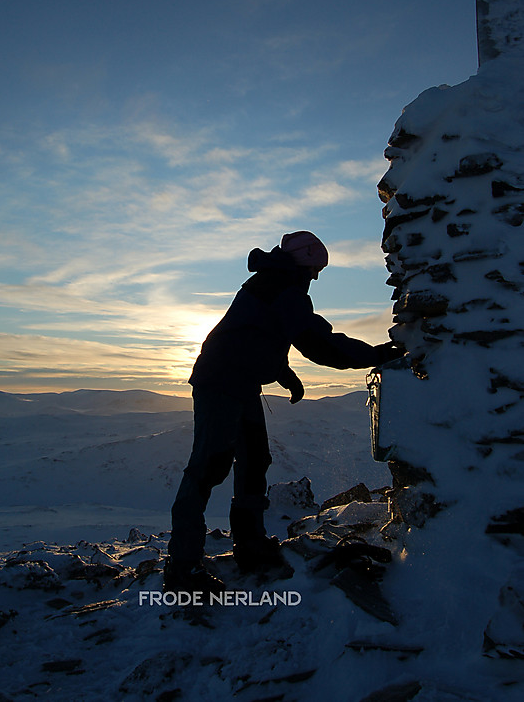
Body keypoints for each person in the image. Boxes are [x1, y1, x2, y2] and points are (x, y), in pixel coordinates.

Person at [164, 231, 401, 595]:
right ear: (305, 262)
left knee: (255, 460)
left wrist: (283, 373)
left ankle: (250, 544)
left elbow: (254, 333)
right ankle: (183, 568)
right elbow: (318, 342)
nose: (317, 276)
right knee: (208, 467)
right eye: (316, 268)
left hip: (237, 381)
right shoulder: (282, 286)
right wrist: (378, 354)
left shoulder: (272, 282)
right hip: (222, 384)